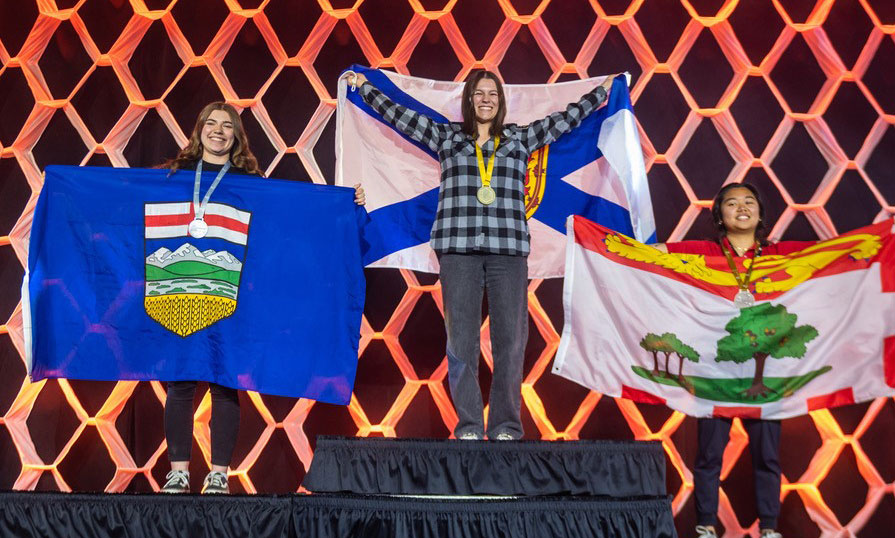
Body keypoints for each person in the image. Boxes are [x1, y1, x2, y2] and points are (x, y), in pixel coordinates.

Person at [346, 69, 614, 440]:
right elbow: (400, 117)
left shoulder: (520, 140)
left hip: (508, 251)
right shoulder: (447, 138)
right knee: (460, 343)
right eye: (479, 93)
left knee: (511, 341)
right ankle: (469, 426)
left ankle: (506, 426)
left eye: (492, 94)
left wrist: (600, 93)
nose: (486, 99)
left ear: (500, 103)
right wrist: (365, 90)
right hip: (457, 249)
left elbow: (563, 121)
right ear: (470, 101)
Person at [159, 102, 365, 494]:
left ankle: (219, 474)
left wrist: (342, 204)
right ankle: (179, 472)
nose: (218, 131)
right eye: (211, 124)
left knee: (224, 380)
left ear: (236, 136)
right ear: (198, 129)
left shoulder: (250, 180)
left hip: (232, 289)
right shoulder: (174, 176)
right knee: (180, 381)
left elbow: (289, 219)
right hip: (181, 285)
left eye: (227, 126)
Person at [655, 183, 810, 538]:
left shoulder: (780, 255)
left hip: (766, 372)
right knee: (709, 455)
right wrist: (602, 243)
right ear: (720, 216)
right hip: (715, 369)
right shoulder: (704, 252)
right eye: (732, 203)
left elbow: (828, 256)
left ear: (760, 212)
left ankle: (769, 528)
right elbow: (655, 256)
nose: (742, 208)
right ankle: (706, 525)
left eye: (749, 202)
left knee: (768, 456)